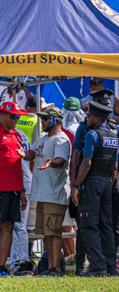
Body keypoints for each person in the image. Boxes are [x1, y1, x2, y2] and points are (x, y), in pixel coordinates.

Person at [24, 107, 70, 276]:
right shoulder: (43, 137)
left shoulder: (61, 139)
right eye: (42, 118)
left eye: (45, 118)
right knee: (46, 234)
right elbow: (31, 153)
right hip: (42, 193)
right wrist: (22, 152)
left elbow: (61, 160)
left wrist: (50, 163)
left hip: (54, 194)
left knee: (54, 233)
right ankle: (49, 267)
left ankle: (56, 268)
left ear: (56, 120)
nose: (42, 121)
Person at [75, 102, 119, 276]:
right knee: (106, 225)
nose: (87, 118)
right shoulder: (113, 136)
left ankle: (97, 267)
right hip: (106, 182)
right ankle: (110, 266)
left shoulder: (92, 135)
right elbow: (114, 165)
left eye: (90, 116)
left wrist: (77, 185)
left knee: (89, 225)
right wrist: (109, 181)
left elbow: (86, 163)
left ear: (98, 118)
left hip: (91, 181)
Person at [0, 101, 30, 276]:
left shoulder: (16, 135)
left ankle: (1, 267)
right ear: (2, 115)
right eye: (13, 116)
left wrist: (22, 190)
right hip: (1, 188)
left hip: (14, 189)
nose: (16, 119)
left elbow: (18, 164)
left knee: (9, 226)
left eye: (18, 117)